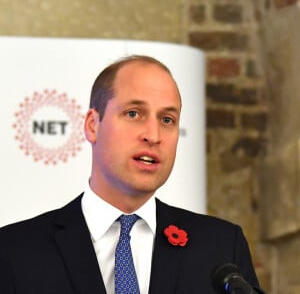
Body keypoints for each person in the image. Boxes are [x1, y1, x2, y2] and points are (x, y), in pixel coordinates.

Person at [0, 55, 263, 294]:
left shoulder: (221, 249)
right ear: (93, 125)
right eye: (134, 113)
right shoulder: (14, 252)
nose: (153, 135)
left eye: (167, 119)